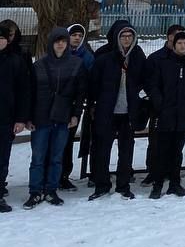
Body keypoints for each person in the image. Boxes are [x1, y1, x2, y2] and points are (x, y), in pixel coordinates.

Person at [24, 28, 87, 208]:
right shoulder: (39, 66)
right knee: (38, 158)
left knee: (56, 157)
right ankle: (35, 191)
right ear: (51, 43)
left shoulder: (76, 64)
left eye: (63, 41)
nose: (60, 44)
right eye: (57, 41)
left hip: (62, 117)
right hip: (41, 117)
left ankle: (51, 189)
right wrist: (28, 117)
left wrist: (76, 115)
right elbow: (30, 94)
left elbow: (80, 93)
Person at [87, 19, 145, 201]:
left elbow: (144, 80)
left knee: (126, 151)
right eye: (123, 36)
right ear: (116, 38)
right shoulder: (104, 58)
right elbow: (94, 85)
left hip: (128, 112)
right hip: (107, 111)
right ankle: (102, 184)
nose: (127, 39)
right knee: (102, 150)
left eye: (130, 36)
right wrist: (93, 104)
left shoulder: (138, 56)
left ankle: (123, 185)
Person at [147, 30, 185, 198]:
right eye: (179, 43)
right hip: (166, 114)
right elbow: (154, 86)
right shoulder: (163, 63)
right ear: (173, 45)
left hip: (184, 114)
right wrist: (160, 104)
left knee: (177, 152)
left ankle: (175, 183)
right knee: (162, 151)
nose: (183, 46)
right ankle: (157, 185)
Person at [140, 24, 184, 187]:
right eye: (177, 36)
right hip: (159, 109)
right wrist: (158, 101)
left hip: (178, 109)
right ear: (169, 37)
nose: (180, 40)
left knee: (175, 143)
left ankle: (171, 172)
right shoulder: (156, 58)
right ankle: (153, 172)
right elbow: (149, 83)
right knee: (156, 142)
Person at [59, 22, 93, 191]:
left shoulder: (86, 56)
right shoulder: (58, 53)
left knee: (67, 142)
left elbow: (91, 78)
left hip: (74, 105)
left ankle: (64, 175)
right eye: (74, 35)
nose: (77, 38)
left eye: (80, 36)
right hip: (55, 104)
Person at [0, 20, 29, 212]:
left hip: (6, 119)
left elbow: (23, 92)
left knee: (2, 159)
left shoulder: (15, 61)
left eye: (2, 38)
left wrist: (20, 118)